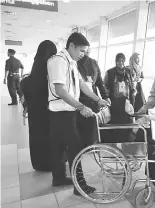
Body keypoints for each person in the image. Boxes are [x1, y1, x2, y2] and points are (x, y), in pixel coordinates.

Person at [47, 32, 109, 196]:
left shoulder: (72, 62)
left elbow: (81, 84)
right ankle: (80, 187)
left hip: (67, 112)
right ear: (72, 46)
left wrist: (97, 100)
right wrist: (81, 107)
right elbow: (60, 90)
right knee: (76, 148)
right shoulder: (59, 61)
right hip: (61, 114)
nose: (83, 54)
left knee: (59, 147)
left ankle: (58, 178)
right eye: (81, 50)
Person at [20, 40, 57, 171]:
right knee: (50, 136)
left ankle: (38, 163)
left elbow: (25, 84)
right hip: (49, 111)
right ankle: (51, 163)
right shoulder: (52, 69)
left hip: (35, 112)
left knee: (36, 136)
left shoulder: (35, 68)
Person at [76, 47, 110, 147]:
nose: (87, 50)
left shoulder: (94, 63)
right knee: (81, 128)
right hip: (80, 99)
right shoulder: (75, 63)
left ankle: (90, 147)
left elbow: (99, 82)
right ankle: (82, 147)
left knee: (92, 128)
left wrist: (105, 96)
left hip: (93, 100)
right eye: (84, 49)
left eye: (88, 48)